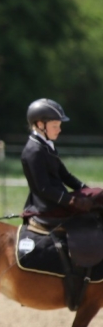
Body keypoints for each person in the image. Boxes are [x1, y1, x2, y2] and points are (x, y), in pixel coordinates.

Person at [21, 98, 103, 230]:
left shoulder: (46, 146)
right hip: (48, 207)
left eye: (59, 126)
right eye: (55, 126)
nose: (59, 130)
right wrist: (71, 201)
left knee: (99, 195)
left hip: (58, 201)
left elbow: (65, 175)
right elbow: (44, 189)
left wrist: (86, 189)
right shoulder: (33, 151)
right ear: (40, 124)